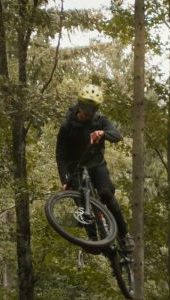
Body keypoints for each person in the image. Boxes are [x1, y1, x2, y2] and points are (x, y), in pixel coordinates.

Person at [55, 84, 132, 253]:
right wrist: (64, 179)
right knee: (82, 201)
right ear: (79, 105)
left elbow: (117, 135)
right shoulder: (67, 126)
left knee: (106, 194)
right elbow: (60, 155)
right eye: (85, 107)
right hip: (75, 168)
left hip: (96, 164)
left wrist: (102, 134)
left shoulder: (100, 121)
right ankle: (92, 239)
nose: (88, 112)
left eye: (92, 108)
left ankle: (125, 235)